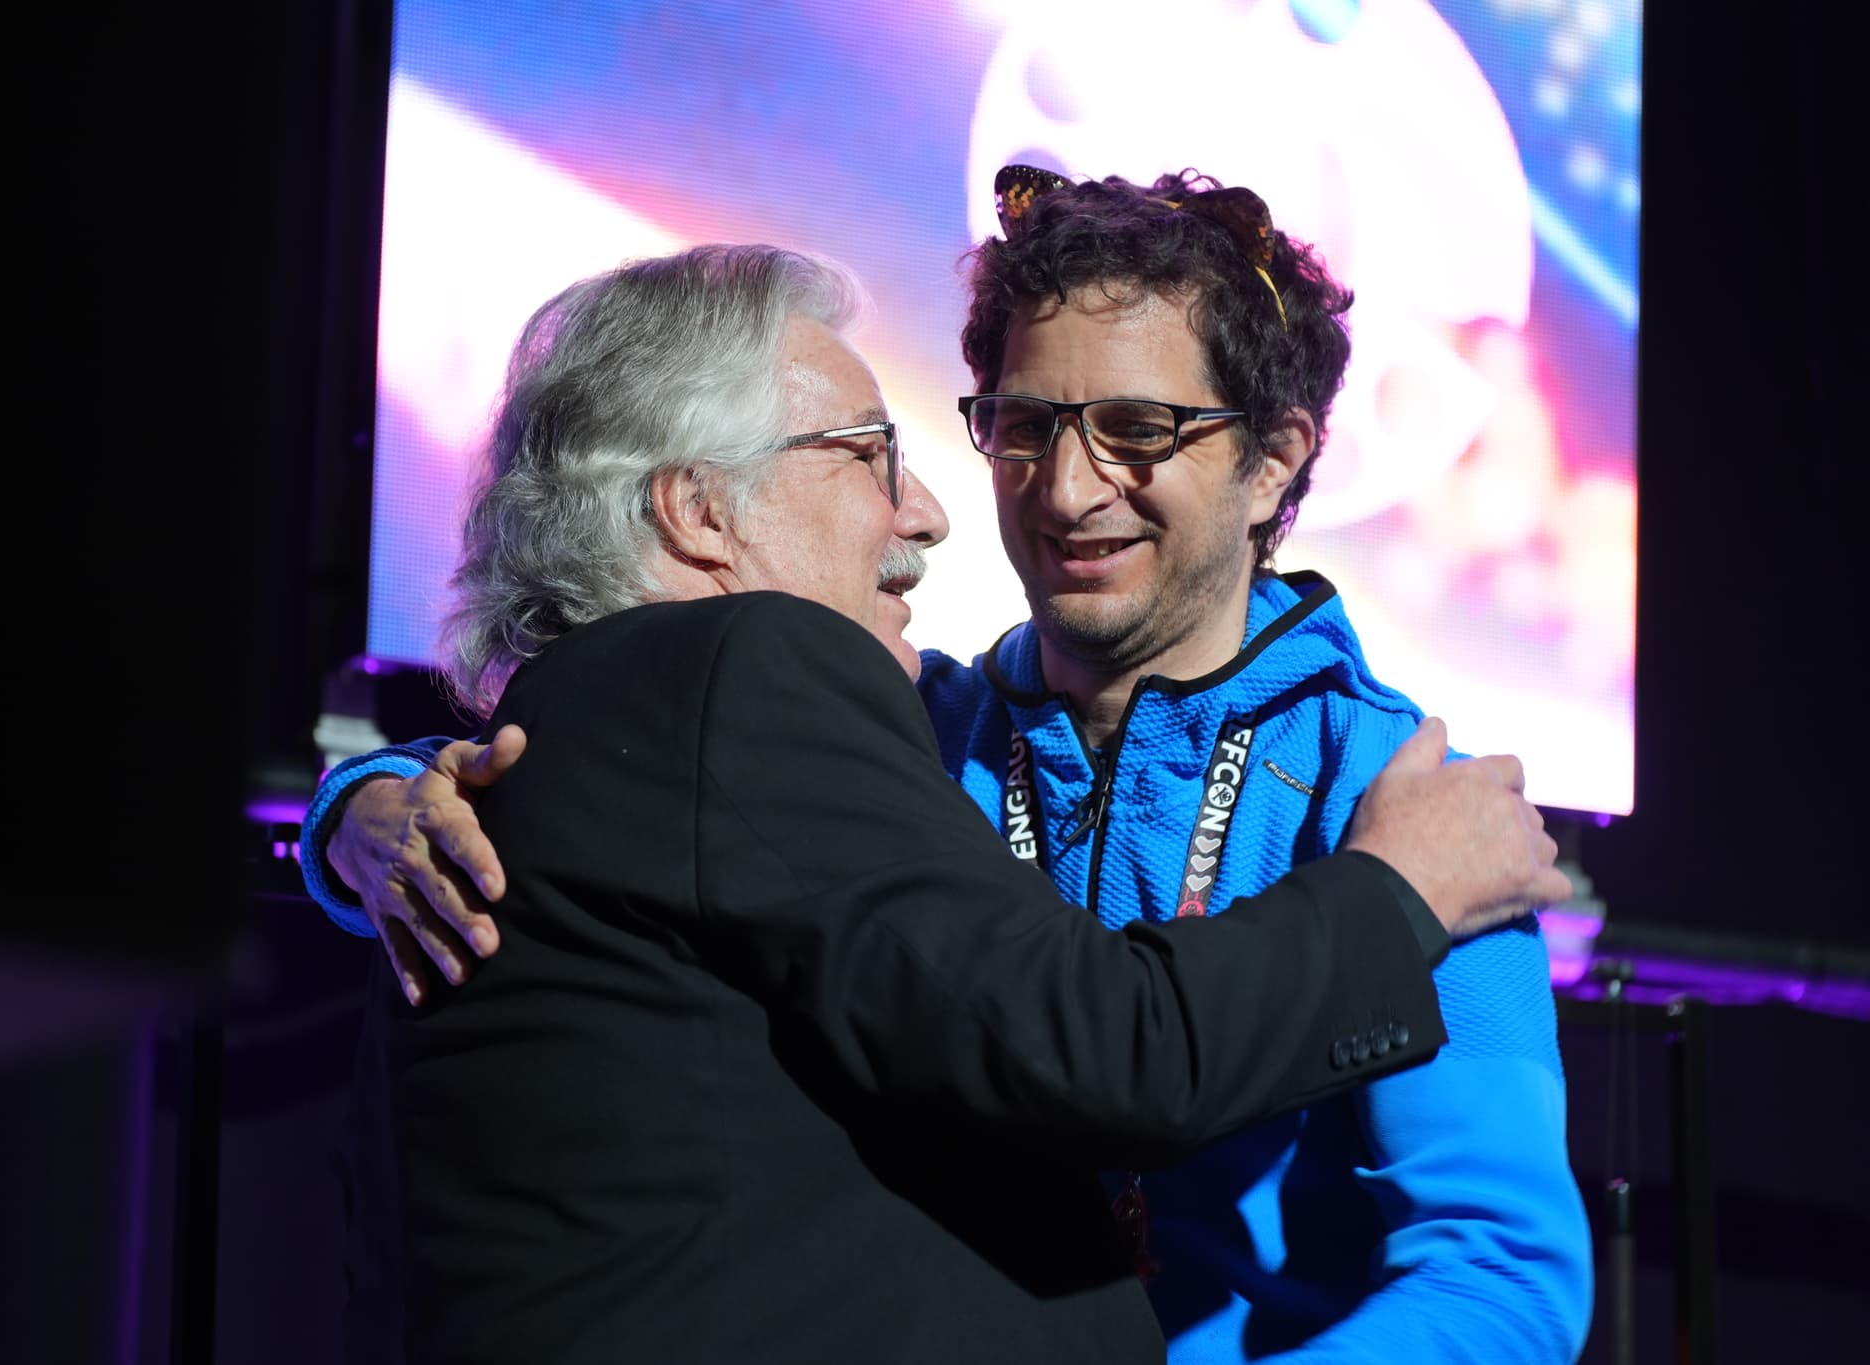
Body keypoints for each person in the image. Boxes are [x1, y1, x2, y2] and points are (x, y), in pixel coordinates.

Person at [328, 239, 1568, 1365]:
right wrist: (371, 802)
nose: (1067, 490)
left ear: (1273, 461)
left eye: (1136, 428)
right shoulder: (904, 731)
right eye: (1025, 427)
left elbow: (1501, 1279)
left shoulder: (1406, 811)